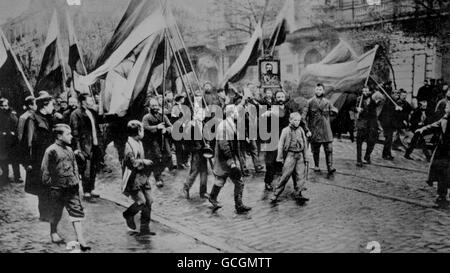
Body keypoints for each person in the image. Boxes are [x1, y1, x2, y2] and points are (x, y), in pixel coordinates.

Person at [40, 124, 90, 250]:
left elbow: (75, 167)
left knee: (76, 211)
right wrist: (50, 185)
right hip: (57, 188)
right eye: (68, 134)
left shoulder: (69, 150)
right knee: (56, 211)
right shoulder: (50, 150)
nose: (71, 136)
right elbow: (45, 170)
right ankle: (53, 232)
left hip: (71, 187)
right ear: (59, 136)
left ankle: (80, 239)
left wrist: (76, 180)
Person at [207, 104, 252, 214]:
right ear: (231, 113)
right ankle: (236, 204)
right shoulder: (223, 126)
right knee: (233, 181)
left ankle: (235, 203)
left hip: (228, 160)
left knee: (226, 181)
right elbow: (224, 145)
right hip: (225, 160)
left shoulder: (231, 124)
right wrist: (231, 161)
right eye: (236, 112)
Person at [24, 92, 57, 224]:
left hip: (51, 156)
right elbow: (29, 141)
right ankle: (44, 213)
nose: (53, 107)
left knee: (51, 184)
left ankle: (50, 211)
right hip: (39, 158)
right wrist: (29, 161)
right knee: (42, 185)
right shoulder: (33, 119)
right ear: (44, 105)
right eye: (51, 104)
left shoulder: (50, 118)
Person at [121, 121, 156, 236]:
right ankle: (128, 214)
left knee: (149, 201)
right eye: (142, 130)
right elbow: (131, 163)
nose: (143, 132)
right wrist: (143, 161)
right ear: (137, 132)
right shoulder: (129, 145)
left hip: (142, 176)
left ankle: (145, 228)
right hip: (133, 177)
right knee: (141, 201)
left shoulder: (139, 142)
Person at [415, 101, 450, 205]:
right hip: (443, 150)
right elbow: (434, 125)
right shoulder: (445, 118)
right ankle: (441, 195)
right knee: (441, 173)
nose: (445, 109)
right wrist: (422, 130)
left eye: (448, 107)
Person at [271, 112, 309, 203]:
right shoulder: (285, 130)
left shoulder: (301, 130)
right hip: (290, 155)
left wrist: (306, 157)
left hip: (299, 156)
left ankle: (298, 193)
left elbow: (305, 144)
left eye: (299, 120)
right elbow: (280, 144)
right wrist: (279, 157)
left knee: (300, 176)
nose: (297, 122)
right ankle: (276, 194)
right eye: (295, 120)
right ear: (290, 120)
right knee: (285, 175)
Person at [70, 94, 102, 199]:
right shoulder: (76, 114)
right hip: (85, 145)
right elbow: (75, 133)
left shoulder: (92, 112)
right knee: (85, 168)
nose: (92, 101)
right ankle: (86, 190)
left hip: (95, 143)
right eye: (89, 100)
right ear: (83, 101)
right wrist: (78, 148)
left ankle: (92, 188)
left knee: (94, 167)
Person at [304, 83, 338, 175]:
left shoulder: (327, 102)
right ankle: (316, 165)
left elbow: (335, 110)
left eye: (320, 89)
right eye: (317, 89)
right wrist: (307, 129)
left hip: (326, 130)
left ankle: (330, 166)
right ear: (314, 90)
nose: (318, 91)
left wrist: (332, 113)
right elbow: (304, 117)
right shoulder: (310, 102)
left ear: (323, 91)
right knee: (316, 149)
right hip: (314, 129)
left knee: (329, 149)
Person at [142, 98, 173, 188]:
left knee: (169, 155)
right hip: (152, 141)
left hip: (163, 139)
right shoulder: (146, 117)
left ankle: (160, 170)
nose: (155, 107)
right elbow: (145, 127)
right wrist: (157, 127)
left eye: (156, 105)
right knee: (157, 158)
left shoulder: (162, 115)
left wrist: (166, 130)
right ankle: (158, 177)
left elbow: (171, 126)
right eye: (153, 106)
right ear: (149, 107)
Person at [355, 87, 383, 167]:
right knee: (359, 142)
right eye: (364, 91)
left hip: (371, 124)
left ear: (369, 91)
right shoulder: (359, 100)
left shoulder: (373, 99)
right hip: (362, 123)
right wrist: (356, 109)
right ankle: (359, 160)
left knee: (372, 141)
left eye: (367, 91)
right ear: (362, 91)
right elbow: (352, 107)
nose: (365, 92)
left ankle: (367, 156)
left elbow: (378, 104)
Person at [182, 117, 209, 200]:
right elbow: (186, 141)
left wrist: (207, 143)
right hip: (196, 151)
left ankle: (203, 192)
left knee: (204, 171)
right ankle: (186, 188)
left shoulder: (203, 123)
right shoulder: (189, 125)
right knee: (195, 171)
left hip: (204, 150)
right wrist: (195, 147)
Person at [0, 98, 20, 183]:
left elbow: (16, 124)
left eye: (6, 105)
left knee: (15, 158)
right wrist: (1, 133)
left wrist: (14, 132)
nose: (5, 107)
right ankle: (5, 175)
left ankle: (17, 176)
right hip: (2, 140)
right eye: (3, 106)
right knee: (3, 158)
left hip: (12, 140)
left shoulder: (12, 113)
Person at [379, 91, 403, 160]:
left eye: (398, 94)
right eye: (396, 94)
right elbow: (388, 113)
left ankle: (388, 153)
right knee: (388, 139)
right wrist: (395, 109)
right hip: (386, 123)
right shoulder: (389, 101)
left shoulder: (394, 101)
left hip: (390, 124)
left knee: (389, 139)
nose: (397, 95)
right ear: (392, 94)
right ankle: (385, 154)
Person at [17, 96, 37, 172]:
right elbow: (20, 134)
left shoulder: (36, 115)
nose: (36, 106)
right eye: (35, 104)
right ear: (30, 105)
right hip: (28, 146)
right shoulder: (24, 117)